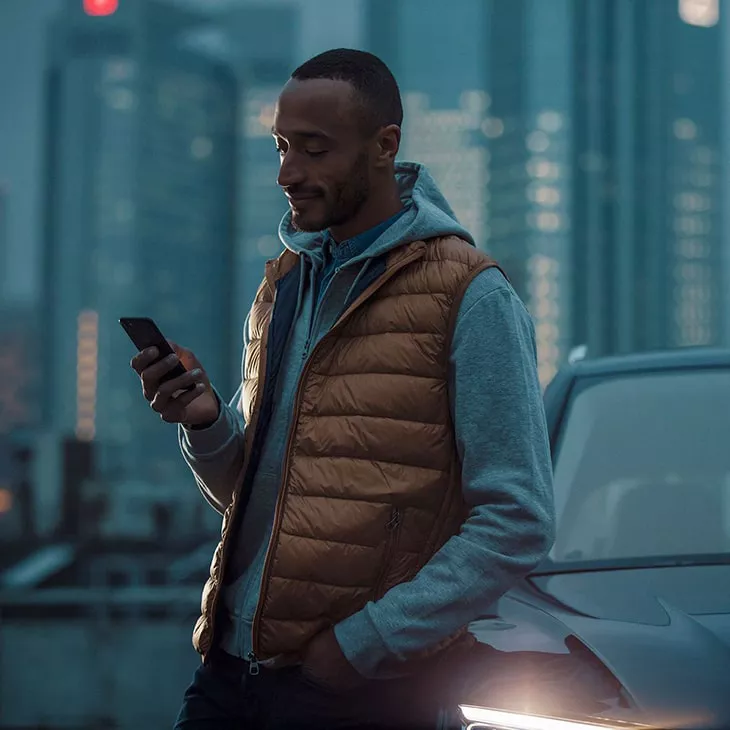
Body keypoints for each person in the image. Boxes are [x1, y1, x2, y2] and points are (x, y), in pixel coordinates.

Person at [131, 48, 555, 730]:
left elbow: (517, 520)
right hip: (228, 671)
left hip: (356, 692)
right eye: (281, 146)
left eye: (315, 150)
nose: (286, 173)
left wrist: (360, 649)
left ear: (385, 146)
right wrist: (206, 422)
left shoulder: (471, 296)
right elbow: (258, 500)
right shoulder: (284, 285)